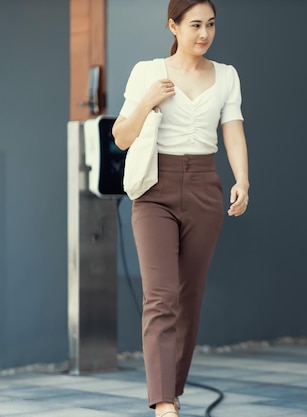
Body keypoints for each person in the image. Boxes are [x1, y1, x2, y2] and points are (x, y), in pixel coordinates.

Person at [112, 0, 249, 415]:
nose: (204, 34)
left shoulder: (226, 76)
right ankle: (163, 403)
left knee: (189, 297)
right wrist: (146, 101)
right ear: (173, 26)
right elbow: (121, 137)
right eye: (194, 25)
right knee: (161, 296)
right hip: (155, 189)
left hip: (205, 188)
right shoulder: (147, 72)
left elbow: (234, 131)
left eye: (210, 24)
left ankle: (173, 388)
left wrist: (243, 179)